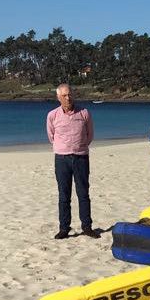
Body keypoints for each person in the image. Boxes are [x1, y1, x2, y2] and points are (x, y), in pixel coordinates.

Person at [47, 83, 98, 239]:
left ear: (73, 95)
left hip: (81, 157)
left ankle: (87, 226)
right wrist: (64, 147)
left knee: (83, 193)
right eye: (64, 95)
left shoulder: (84, 113)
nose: (67, 98)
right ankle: (64, 228)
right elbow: (51, 137)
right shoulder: (52, 115)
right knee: (64, 195)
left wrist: (79, 147)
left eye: (69, 94)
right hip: (61, 159)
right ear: (58, 97)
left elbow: (89, 135)